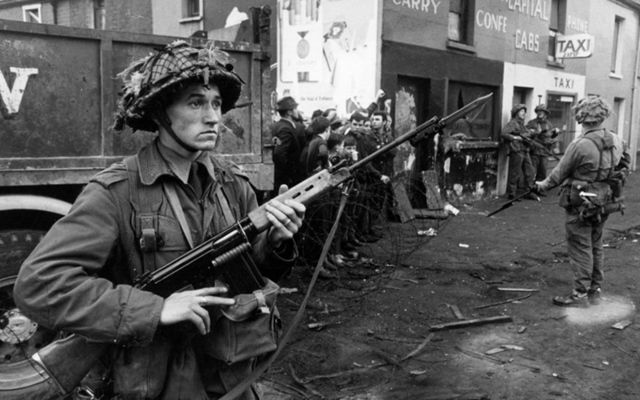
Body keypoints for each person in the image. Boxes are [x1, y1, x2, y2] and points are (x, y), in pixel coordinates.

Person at [13, 40, 305, 399]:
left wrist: (274, 241)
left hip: (229, 378)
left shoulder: (233, 185)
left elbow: (251, 275)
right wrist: (155, 309)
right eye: (196, 102)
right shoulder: (116, 193)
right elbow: (38, 285)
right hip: (154, 382)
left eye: (215, 103)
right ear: (159, 113)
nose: (213, 116)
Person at [535, 96, 630, 306]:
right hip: (604, 199)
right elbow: (626, 163)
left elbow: (557, 176)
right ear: (603, 115)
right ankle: (595, 288)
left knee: (580, 246)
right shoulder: (616, 139)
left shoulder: (579, 145)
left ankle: (580, 292)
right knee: (596, 244)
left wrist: (541, 185)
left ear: (581, 117)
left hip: (580, 202)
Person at [272, 95, 306, 196]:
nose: (297, 111)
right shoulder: (285, 128)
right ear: (289, 112)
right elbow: (279, 153)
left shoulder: (277, 125)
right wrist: (289, 172)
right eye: (295, 108)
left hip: (278, 176)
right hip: (285, 179)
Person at [502, 104, 535, 200]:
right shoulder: (513, 123)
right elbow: (504, 134)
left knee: (530, 171)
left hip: (524, 150)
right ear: (516, 113)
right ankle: (512, 194)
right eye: (521, 111)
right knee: (515, 173)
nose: (524, 113)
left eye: (524, 112)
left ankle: (529, 191)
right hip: (516, 150)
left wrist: (530, 133)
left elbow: (526, 134)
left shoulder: (521, 124)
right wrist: (516, 137)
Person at [525, 104, 560, 181]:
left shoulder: (549, 124)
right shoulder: (532, 123)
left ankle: (539, 189)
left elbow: (551, 137)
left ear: (545, 113)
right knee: (532, 172)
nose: (539, 113)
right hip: (534, 151)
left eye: (542, 111)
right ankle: (530, 189)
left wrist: (555, 134)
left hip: (545, 152)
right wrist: (535, 132)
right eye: (538, 111)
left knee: (542, 173)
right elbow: (526, 135)